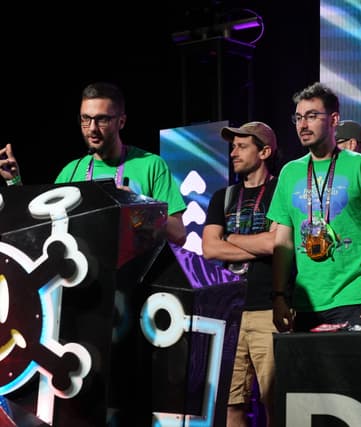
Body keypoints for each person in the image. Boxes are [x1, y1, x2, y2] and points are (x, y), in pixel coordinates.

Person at [268, 82, 361, 332]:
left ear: (334, 119)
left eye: (312, 116)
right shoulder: (289, 173)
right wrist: (278, 296)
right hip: (306, 304)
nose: (303, 125)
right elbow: (283, 242)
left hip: (356, 298)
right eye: (298, 118)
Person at [1, 82, 187, 246]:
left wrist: (139, 207)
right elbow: (40, 226)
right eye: (85, 119)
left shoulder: (151, 165)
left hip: (133, 279)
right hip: (82, 277)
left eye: (102, 119)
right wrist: (14, 182)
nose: (92, 128)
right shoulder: (71, 171)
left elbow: (179, 233)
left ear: (121, 121)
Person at [202, 121, 279, 427]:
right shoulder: (223, 196)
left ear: (264, 151)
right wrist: (258, 245)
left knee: (276, 401)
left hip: (268, 309)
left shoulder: (280, 190)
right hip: (229, 313)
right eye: (232, 146)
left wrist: (230, 240)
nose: (233, 152)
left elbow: (277, 243)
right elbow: (209, 248)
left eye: (242, 146)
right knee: (231, 404)